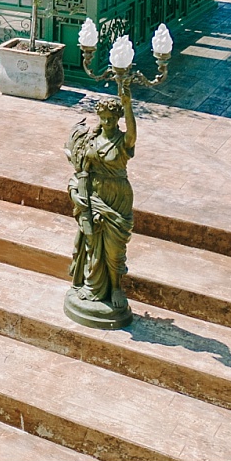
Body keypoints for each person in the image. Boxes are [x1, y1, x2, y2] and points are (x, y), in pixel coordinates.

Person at [65, 77, 135, 323]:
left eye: (111, 119)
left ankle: (116, 286)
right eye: (103, 118)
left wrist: (127, 106)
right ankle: (92, 285)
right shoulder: (90, 141)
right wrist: (77, 194)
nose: (107, 123)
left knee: (115, 248)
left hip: (117, 196)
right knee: (92, 243)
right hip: (94, 196)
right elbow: (80, 172)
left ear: (117, 120)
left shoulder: (122, 140)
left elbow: (133, 136)